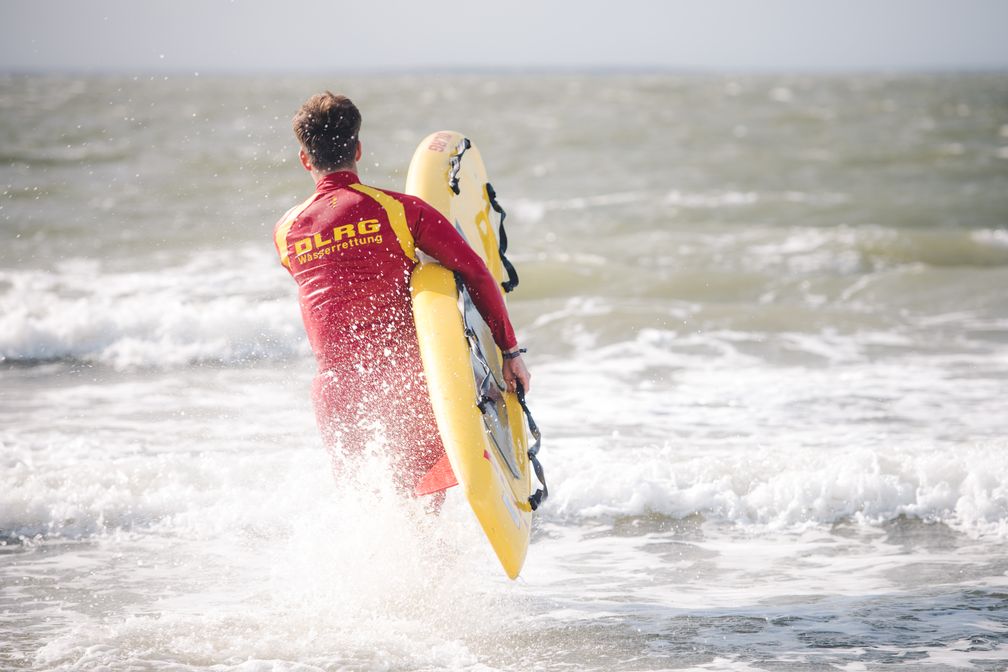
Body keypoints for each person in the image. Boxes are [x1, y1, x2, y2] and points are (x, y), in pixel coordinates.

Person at [273, 91, 530, 497]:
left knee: (368, 503)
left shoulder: (286, 231)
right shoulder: (401, 211)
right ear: (358, 149)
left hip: (336, 393)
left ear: (305, 159)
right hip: (407, 381)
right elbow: (476, 273)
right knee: (423, 508)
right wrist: (510, 352)